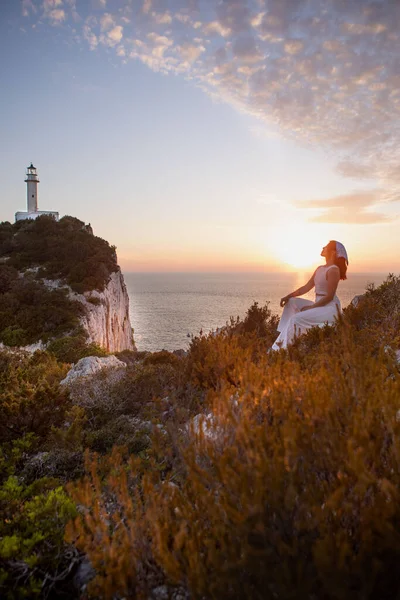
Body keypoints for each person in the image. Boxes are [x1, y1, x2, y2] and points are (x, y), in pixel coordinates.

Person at [271, 240, 348, 351]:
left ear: (332, 252)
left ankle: (281, 350)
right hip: (320, 305)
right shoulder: (320, 268)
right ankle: (282, 336)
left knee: (295, 319)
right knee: (291, 302)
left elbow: (329, 297)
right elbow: (306, 287)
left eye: (326, 246)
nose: (323, 247)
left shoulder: (334, 270)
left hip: (330, 308)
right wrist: (288, 296)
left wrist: (311, 308)